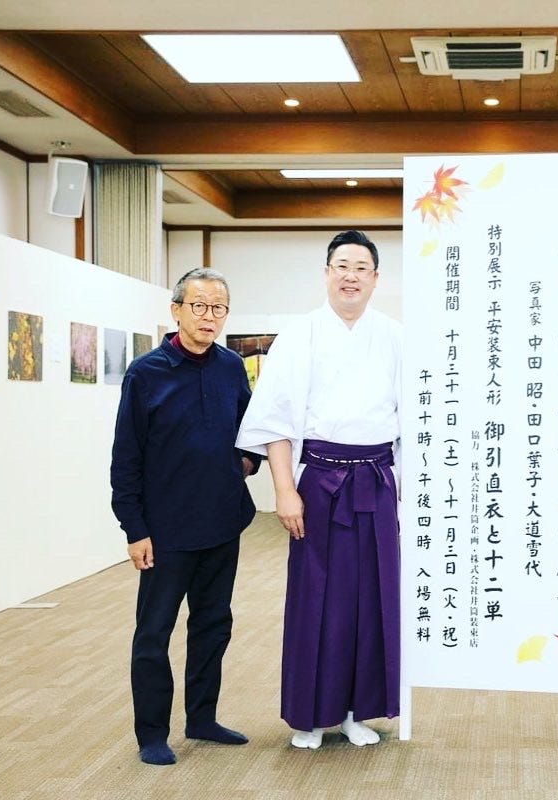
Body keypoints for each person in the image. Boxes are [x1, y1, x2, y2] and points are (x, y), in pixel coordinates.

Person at [236, 230, 401, 750]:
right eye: (342, 266)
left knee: (371, 599)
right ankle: (309, 714)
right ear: (327, 273)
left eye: (362, 268)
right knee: (316, 598)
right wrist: (285, 491)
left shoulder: (396, 336)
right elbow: (276, 421)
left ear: (375, 278)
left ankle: (355, 710)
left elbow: (417, 422)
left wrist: (411, 493)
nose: (351, 276)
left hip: (376, 479)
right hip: (320, 482)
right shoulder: (299, 335)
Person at [110, 268, 260, 766]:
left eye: (218, 307)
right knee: (154, 633)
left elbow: (249, 432)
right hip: (166, 532)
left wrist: (249, 461)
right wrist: (134, 528)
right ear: (175, 310)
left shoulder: (230, 368)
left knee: (213, 625)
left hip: (221, 523)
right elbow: (125, 458)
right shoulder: (145, 373)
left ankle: (202, 717)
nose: (209, 316)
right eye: (199, 306)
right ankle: (152, 733)